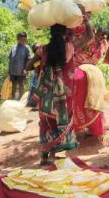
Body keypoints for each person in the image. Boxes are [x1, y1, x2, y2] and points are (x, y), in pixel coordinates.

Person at [33, 24, 78, 166]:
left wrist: (40, 64)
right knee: (61, 122)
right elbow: (88, 37)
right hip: (62, 93)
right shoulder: (69, 47)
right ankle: (57, 156)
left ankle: (44, 157)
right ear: (65, 32)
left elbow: (29, 66)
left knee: (46, 122)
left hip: (46, 92)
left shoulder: (43, 49)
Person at [73, 23, 108, 139]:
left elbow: (76, 51)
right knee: (96, 100)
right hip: (94, 71)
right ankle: (97, 129)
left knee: (76, 99)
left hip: (78, 69)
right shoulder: (103, 45)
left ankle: (77, 128)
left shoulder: (87, 40)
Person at [8, 32, 31, 100]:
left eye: (25, 40)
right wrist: (9, 70)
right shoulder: (13, 47)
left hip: (22, 70)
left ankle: (20, 99)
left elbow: (28, 60)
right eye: (22, 39)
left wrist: (26, 69)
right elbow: (10, 59)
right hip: (13, 71)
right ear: (18, 39)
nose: (24, 41)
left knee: (21, 85)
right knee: (13, 85)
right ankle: (12, 99)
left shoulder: (26, 48)